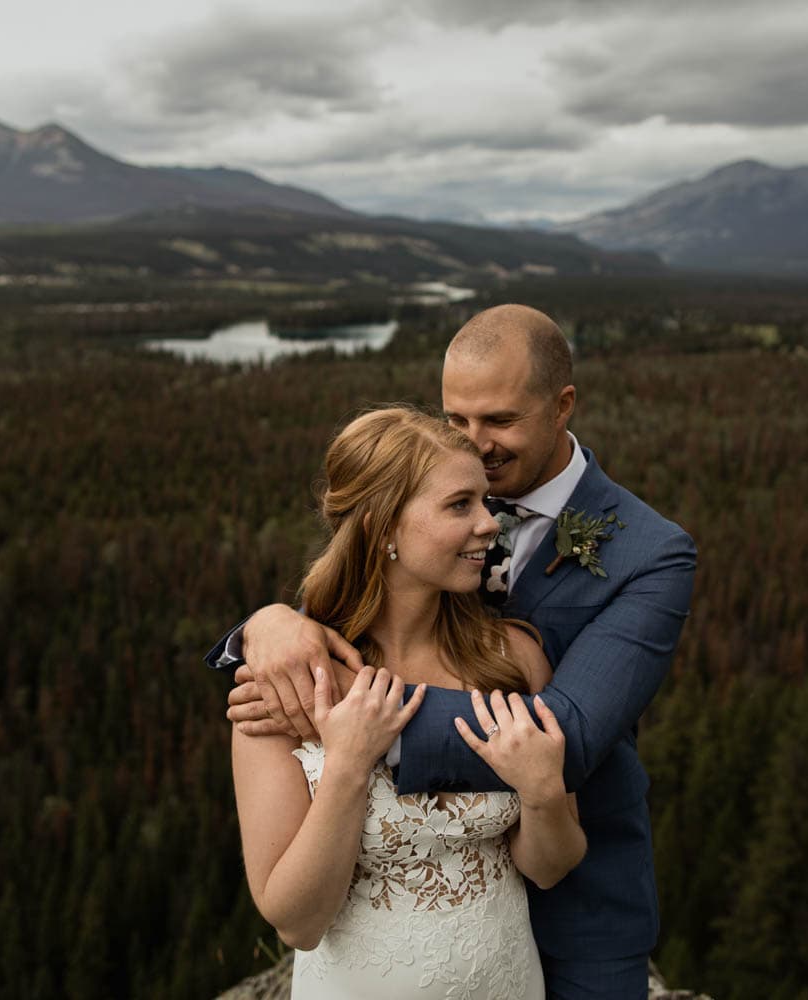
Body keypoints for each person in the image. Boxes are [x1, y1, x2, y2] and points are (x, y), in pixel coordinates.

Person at [213, 305, 697, 1000]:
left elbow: (570, 735)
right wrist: (265, 628)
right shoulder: (434, 493)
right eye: (456, 419)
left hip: (578, 918)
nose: (476, 442)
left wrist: (342, 711)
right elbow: (371, 598)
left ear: (563, 407)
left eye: (499, 421)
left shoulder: (649, 554)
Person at [231, 406, 587, 998]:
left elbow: (550, 867)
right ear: (381, 527)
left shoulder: (515, 658)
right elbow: (296, 922)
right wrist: (347, 764)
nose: (490, 524)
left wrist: (544, 792)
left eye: (484, 501)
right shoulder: (289, 680)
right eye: (459, 505)